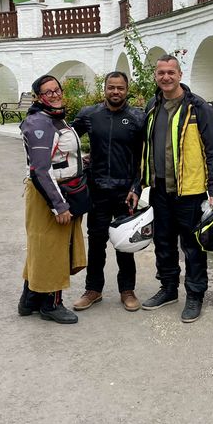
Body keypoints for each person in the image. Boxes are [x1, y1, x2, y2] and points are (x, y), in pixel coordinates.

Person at [140, 54, 213, 323]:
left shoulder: (198, 107)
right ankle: (169, 289)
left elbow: (212, 151)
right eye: (161, 72)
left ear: (180, 75)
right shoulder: (153, 105)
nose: (166, 77)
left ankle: (195, 295)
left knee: (192, 246)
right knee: (163, 242)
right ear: (156, 76)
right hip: (160, 189)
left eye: (170, 72)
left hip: (191, 191)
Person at [71, 71, 145, 312]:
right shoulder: (89, 115)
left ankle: (127, 290)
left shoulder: (137, 117)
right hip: (98, 190)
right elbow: (66, 141)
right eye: (111, 87)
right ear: (105, 89)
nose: (116, 92)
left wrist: (137, 186)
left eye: (120, 88)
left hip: (126, 192)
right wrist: (78, 162)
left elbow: (144, 158)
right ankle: (93, 290)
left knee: (125, 243)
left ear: (127, 90)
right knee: (96, 242)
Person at [17, 74, 86, 324]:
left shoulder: (52, 119)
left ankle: (30, 299)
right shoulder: (39, 123)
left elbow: (57, 156)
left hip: (57, 190)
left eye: (57, 90)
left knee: (42, 247)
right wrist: (59, 206)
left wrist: (79, 162)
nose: (55, 94)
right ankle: (51, 304)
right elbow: (40, 170)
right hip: (49, 196)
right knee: (54, 250)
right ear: (38, 97)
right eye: (48, 92)